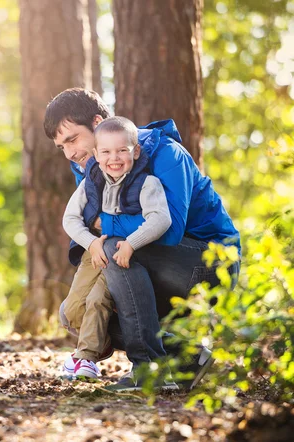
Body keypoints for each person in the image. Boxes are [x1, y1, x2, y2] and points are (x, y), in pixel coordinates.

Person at [44, 88, 241, 392]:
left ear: (97, 123)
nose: (69, 153)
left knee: (115, 247)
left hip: (208, 264)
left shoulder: (166, 154)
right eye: (62, 147)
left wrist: (104, 223)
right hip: (147, 268)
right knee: (74, 313)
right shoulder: (90, 166)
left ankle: (150, 367)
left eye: (72, 140)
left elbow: (169, 229)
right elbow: (89, 228)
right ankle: (184, 355)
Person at [59, 116, 172, 382]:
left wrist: (131, 243)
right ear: (96, 155)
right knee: (72, 310)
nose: (115, 158)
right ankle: (101, 345)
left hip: (122, 255)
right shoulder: (92, 181)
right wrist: (91, 241)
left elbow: (161, 219)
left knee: (99, 300)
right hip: (95, 251)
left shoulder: (147, 184)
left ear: (135, 151)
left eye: (122, 150)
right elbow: (70, 218)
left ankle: (86, 358)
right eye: (107, 152)